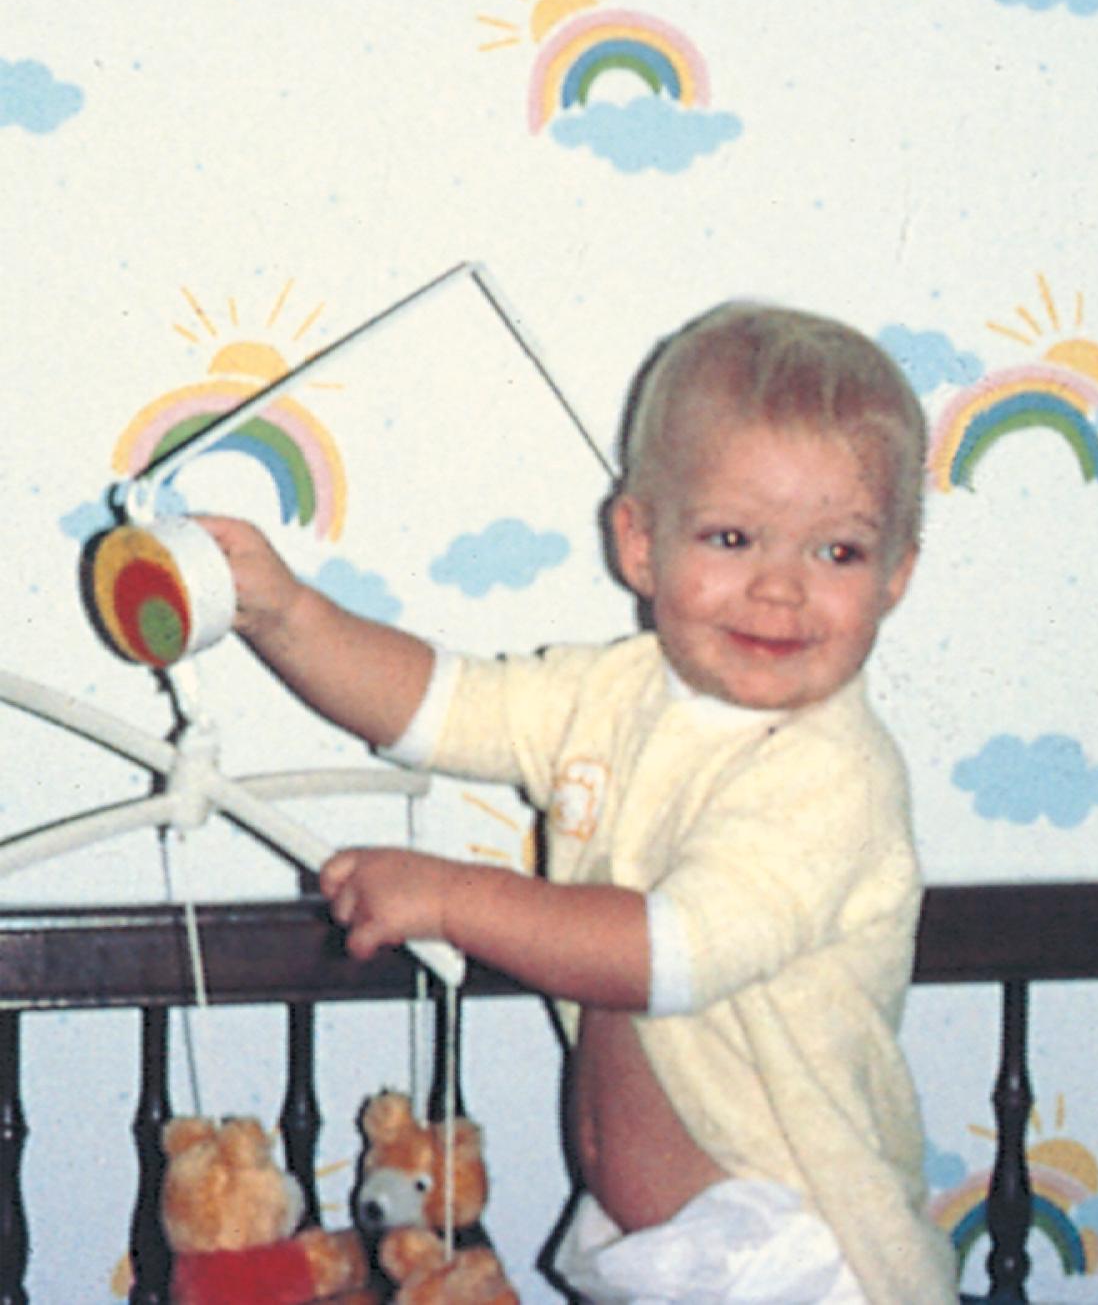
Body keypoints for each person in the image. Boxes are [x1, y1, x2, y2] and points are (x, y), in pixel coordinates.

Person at [203, 302, 958, 1304]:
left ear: (896, 575)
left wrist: (451, 898)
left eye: (836, 553)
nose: (778, 589)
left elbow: (669, 952)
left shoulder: (828, 773)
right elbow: (441, 703)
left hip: (793, 1251)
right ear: (639, 544)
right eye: (732, 537)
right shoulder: (612, 695)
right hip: (662, 1251)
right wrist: (287, 613)